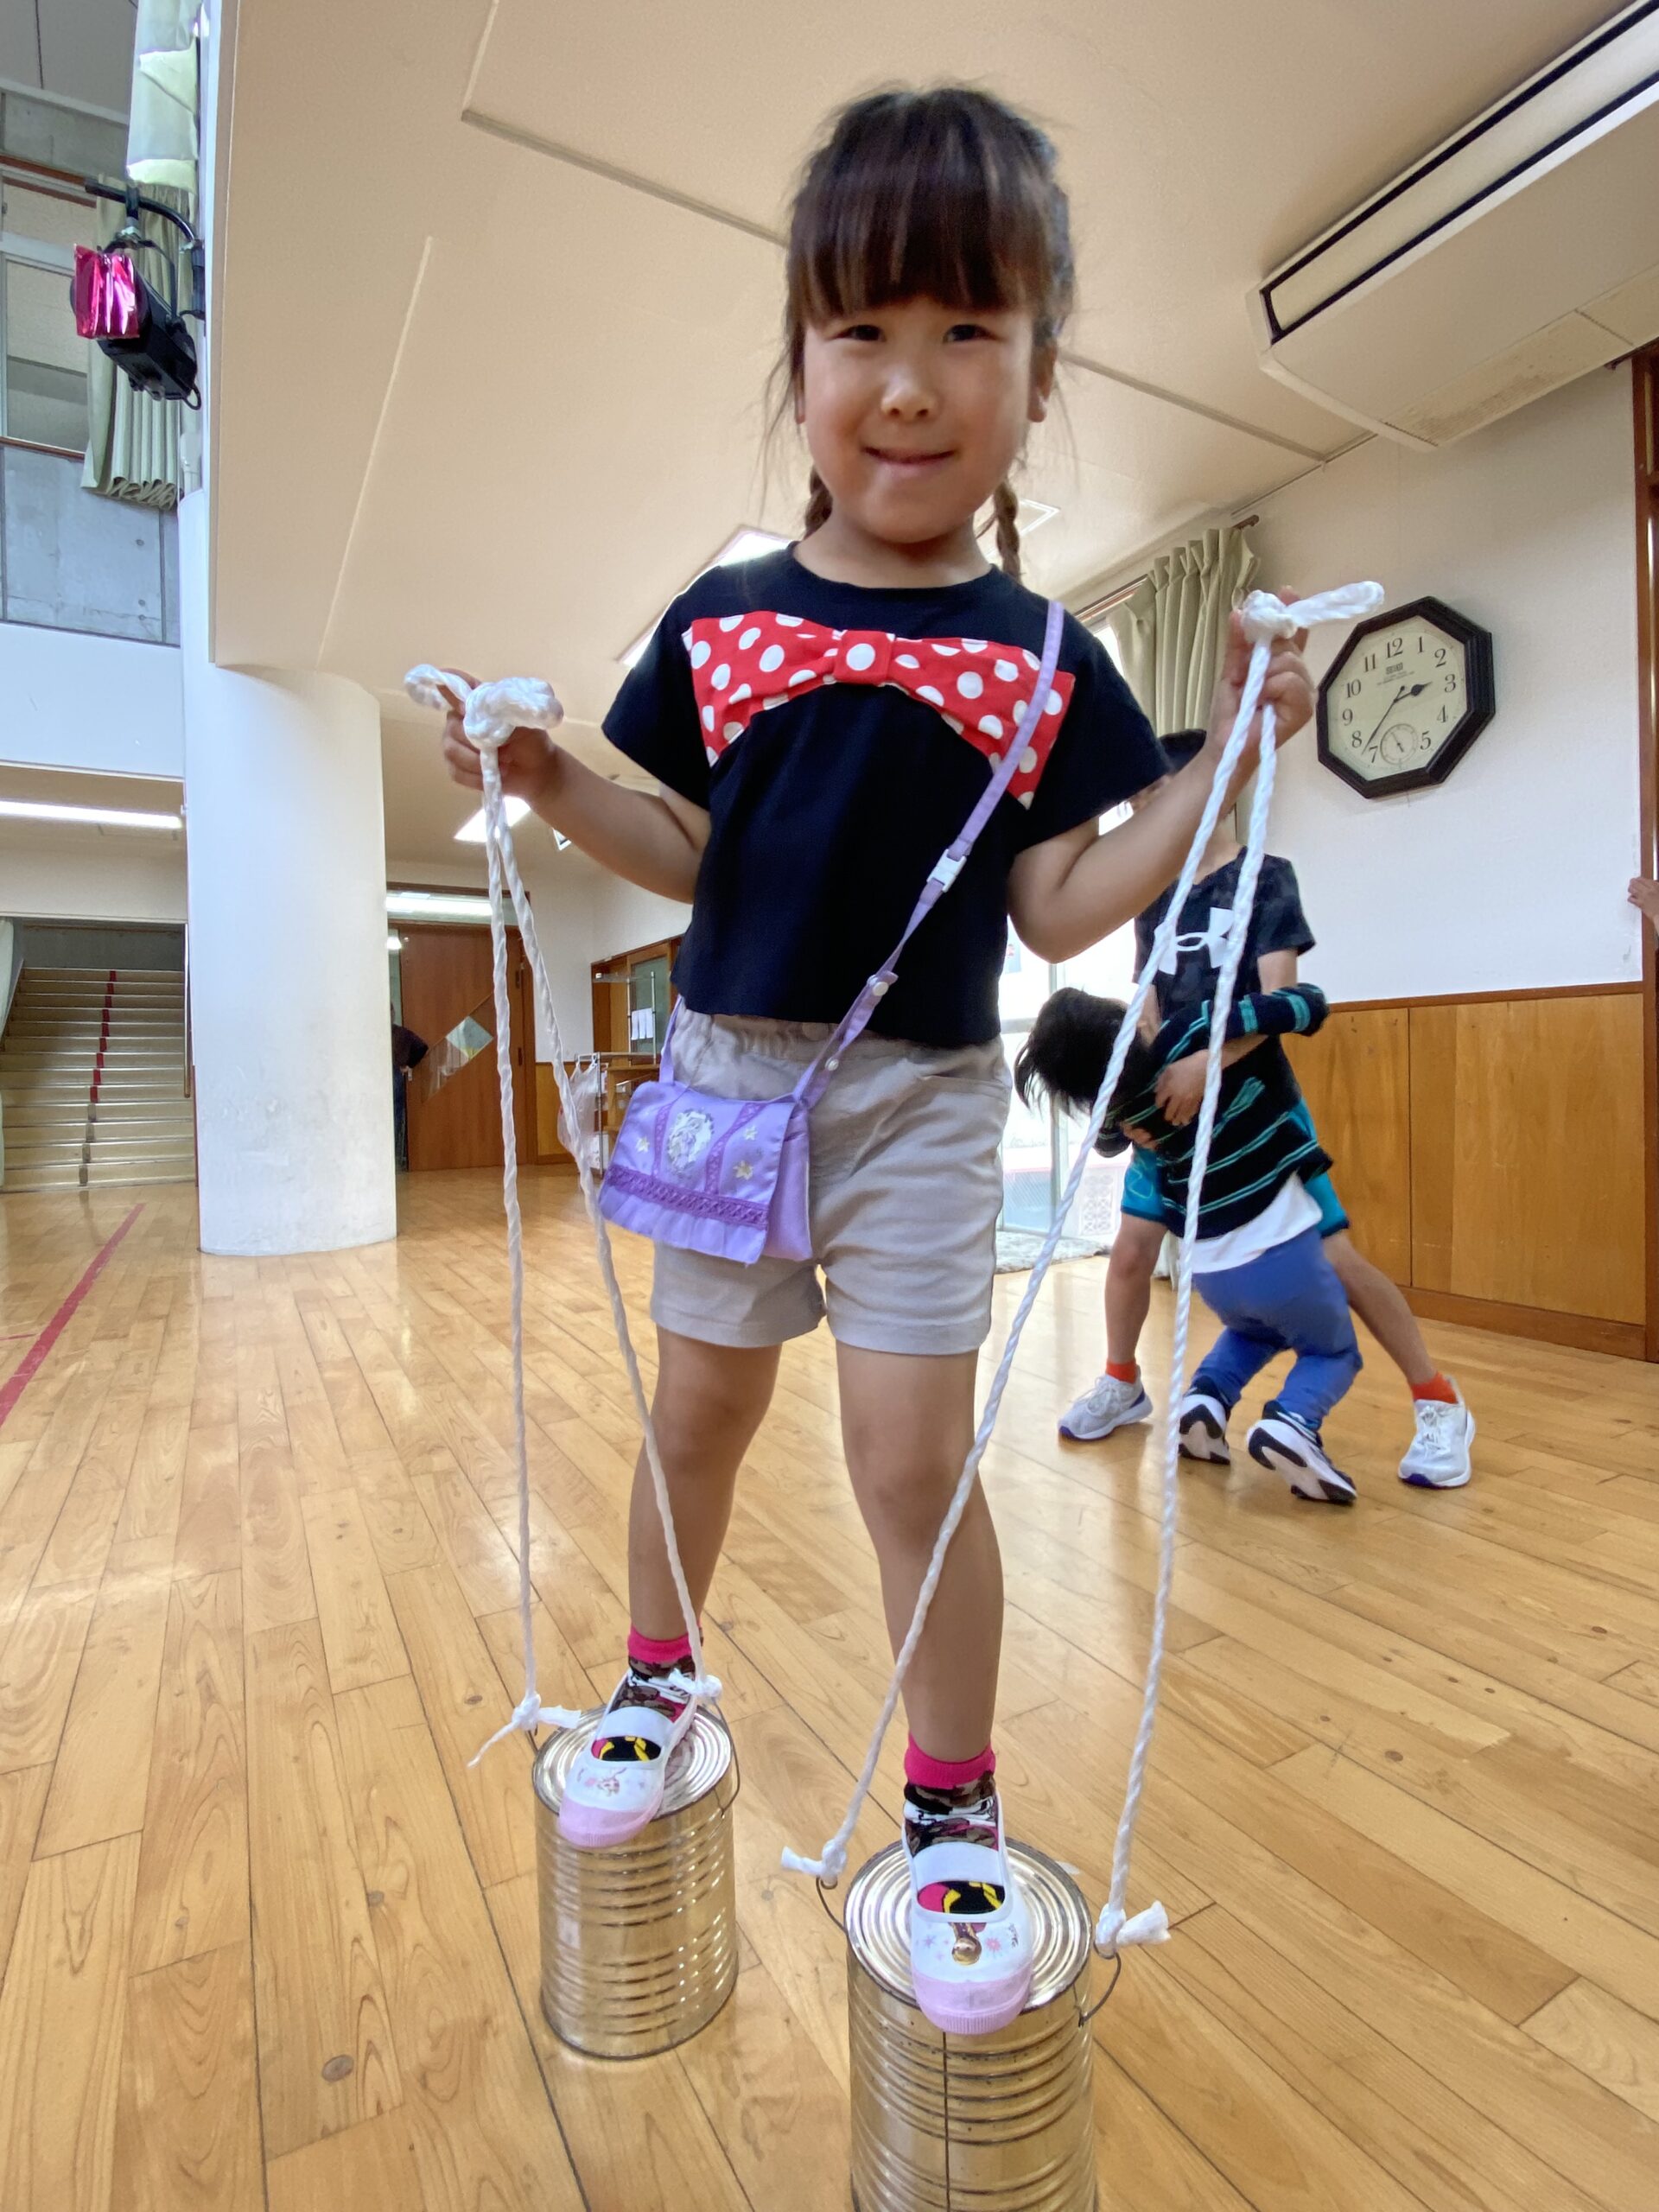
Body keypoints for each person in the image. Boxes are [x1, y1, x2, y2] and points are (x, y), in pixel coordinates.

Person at [435, 88, 1314, 2035]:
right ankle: (657, 1682)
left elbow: (1066, 907)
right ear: (803, 360)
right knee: (696, 1415)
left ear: (1039, 375)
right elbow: (687, 849)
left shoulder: (1050, 656)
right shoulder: (724, 620)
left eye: (966, 330)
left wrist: (1227, 755)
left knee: (913, 1456)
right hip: (729, 1080)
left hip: (922, 1099)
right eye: (863, 331)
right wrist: (549, 774)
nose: (911, 384)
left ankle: (952, 1806)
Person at [1058, 728, 1473, 1490]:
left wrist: (1205, 1064)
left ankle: (1438, 1401)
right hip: (1172, 1118)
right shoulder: (1153, 899)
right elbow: (1148, 1007)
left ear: (1212, 790)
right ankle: (1123, 1382)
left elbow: (1281, 999)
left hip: (1257, 1109)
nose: (1144, 814)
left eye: (1154, 795)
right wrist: (1134, 1103)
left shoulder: (1267, 878)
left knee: (1338, 1263)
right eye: (1137, 803)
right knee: (1130, 1253)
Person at [1017, 981, 1365, 1503]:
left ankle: (1206, 1397)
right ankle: (1294, 1419)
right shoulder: (1192, 1031)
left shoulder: (1122, 1109)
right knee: (1333, 1350)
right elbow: (1310, 1003)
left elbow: (1108, 1140)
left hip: (1208, 1268)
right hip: (1276, 1245)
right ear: (1119, 1020)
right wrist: (1219, 1044)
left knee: (1252, 1332)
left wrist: (1124, 1113)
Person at [391, 1019, 427, 1172]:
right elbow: (421, 1047)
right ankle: (392, 1154)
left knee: (392, 1114)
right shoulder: (401, 1033)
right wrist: (408, 1065)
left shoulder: (394, 1033)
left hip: (389, 1073)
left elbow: (422, 1047)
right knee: (395, 1115)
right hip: (395, 1073)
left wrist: (409, 1065)